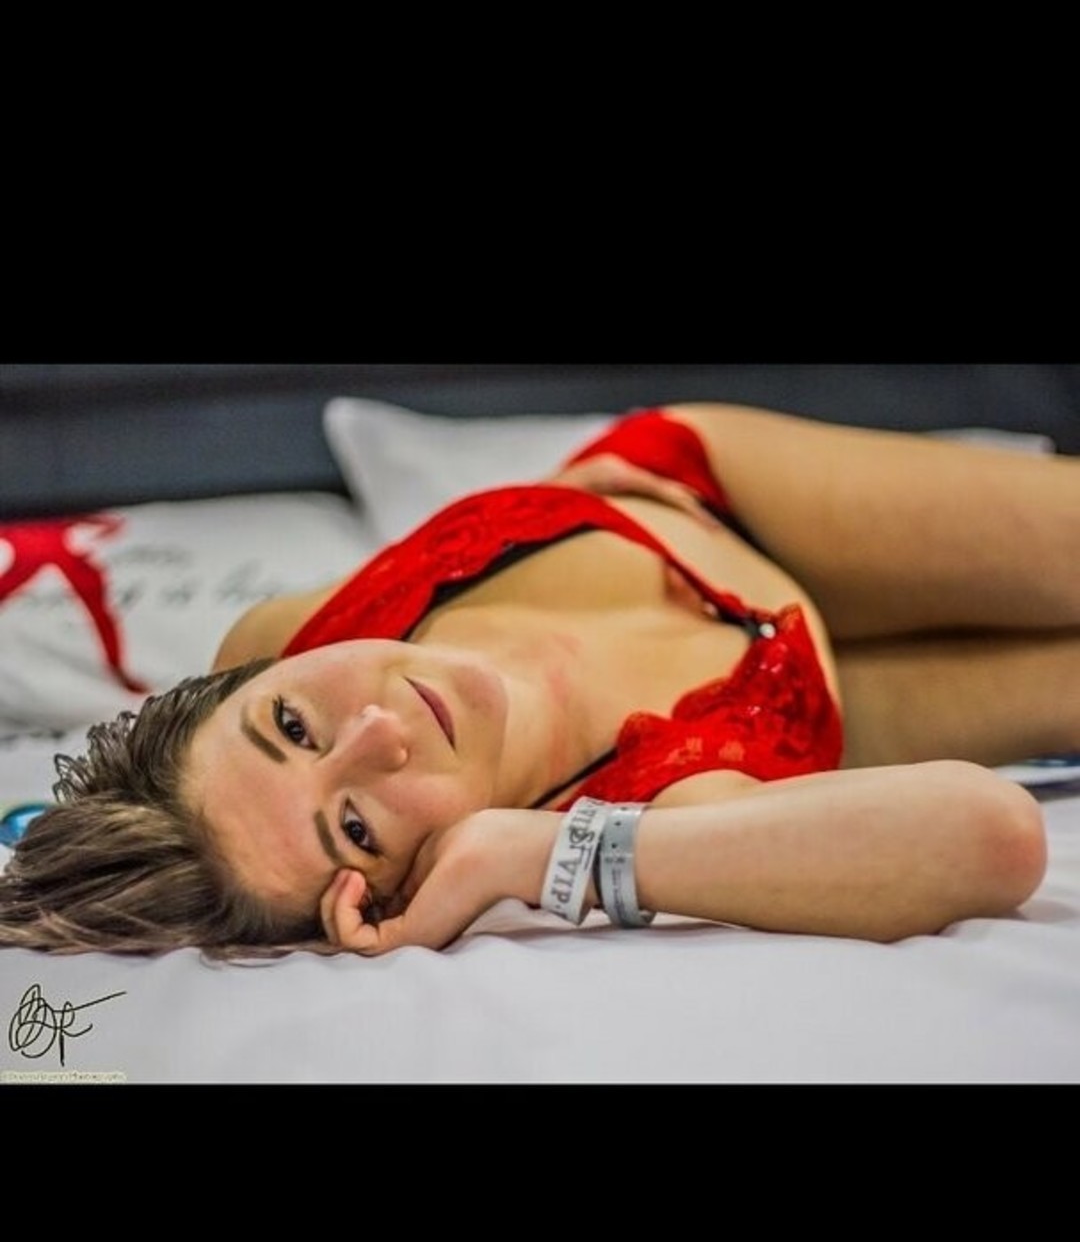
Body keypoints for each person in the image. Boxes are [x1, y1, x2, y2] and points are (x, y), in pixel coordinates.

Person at [1, 403, 1076, 958]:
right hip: (826, 703)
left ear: (255, 677)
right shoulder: (647, 805)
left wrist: (559, 500)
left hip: (707, 502)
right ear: (390, 891)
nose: (378, 732)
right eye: (359, 826)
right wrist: (534, 853)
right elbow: (995, 836)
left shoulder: (276, 633)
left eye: (289, 722)